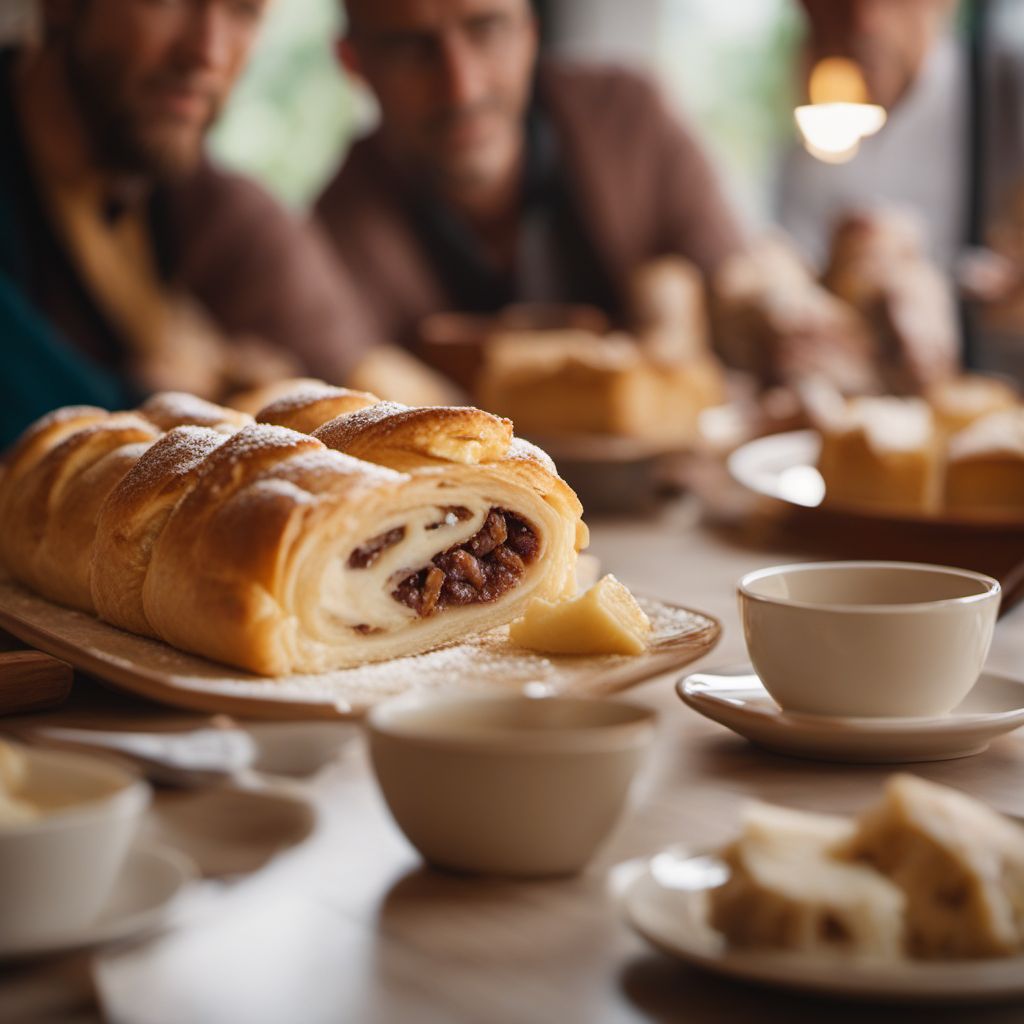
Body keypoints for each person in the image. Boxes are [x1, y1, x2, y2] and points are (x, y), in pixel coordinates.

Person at [0, 0, 382, 447]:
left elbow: (348, 375)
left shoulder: (180, 177)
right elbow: (44, 434)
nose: (208, 54)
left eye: (245, 10)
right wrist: (203, 402)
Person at [314, 0, 745, 358]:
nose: (462, 87)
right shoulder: (331, 234)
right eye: (411, 48)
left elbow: (735, 273)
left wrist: (773, 312)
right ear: (353, 62)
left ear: (529, 33)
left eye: (485, 29)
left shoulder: (629, 116)